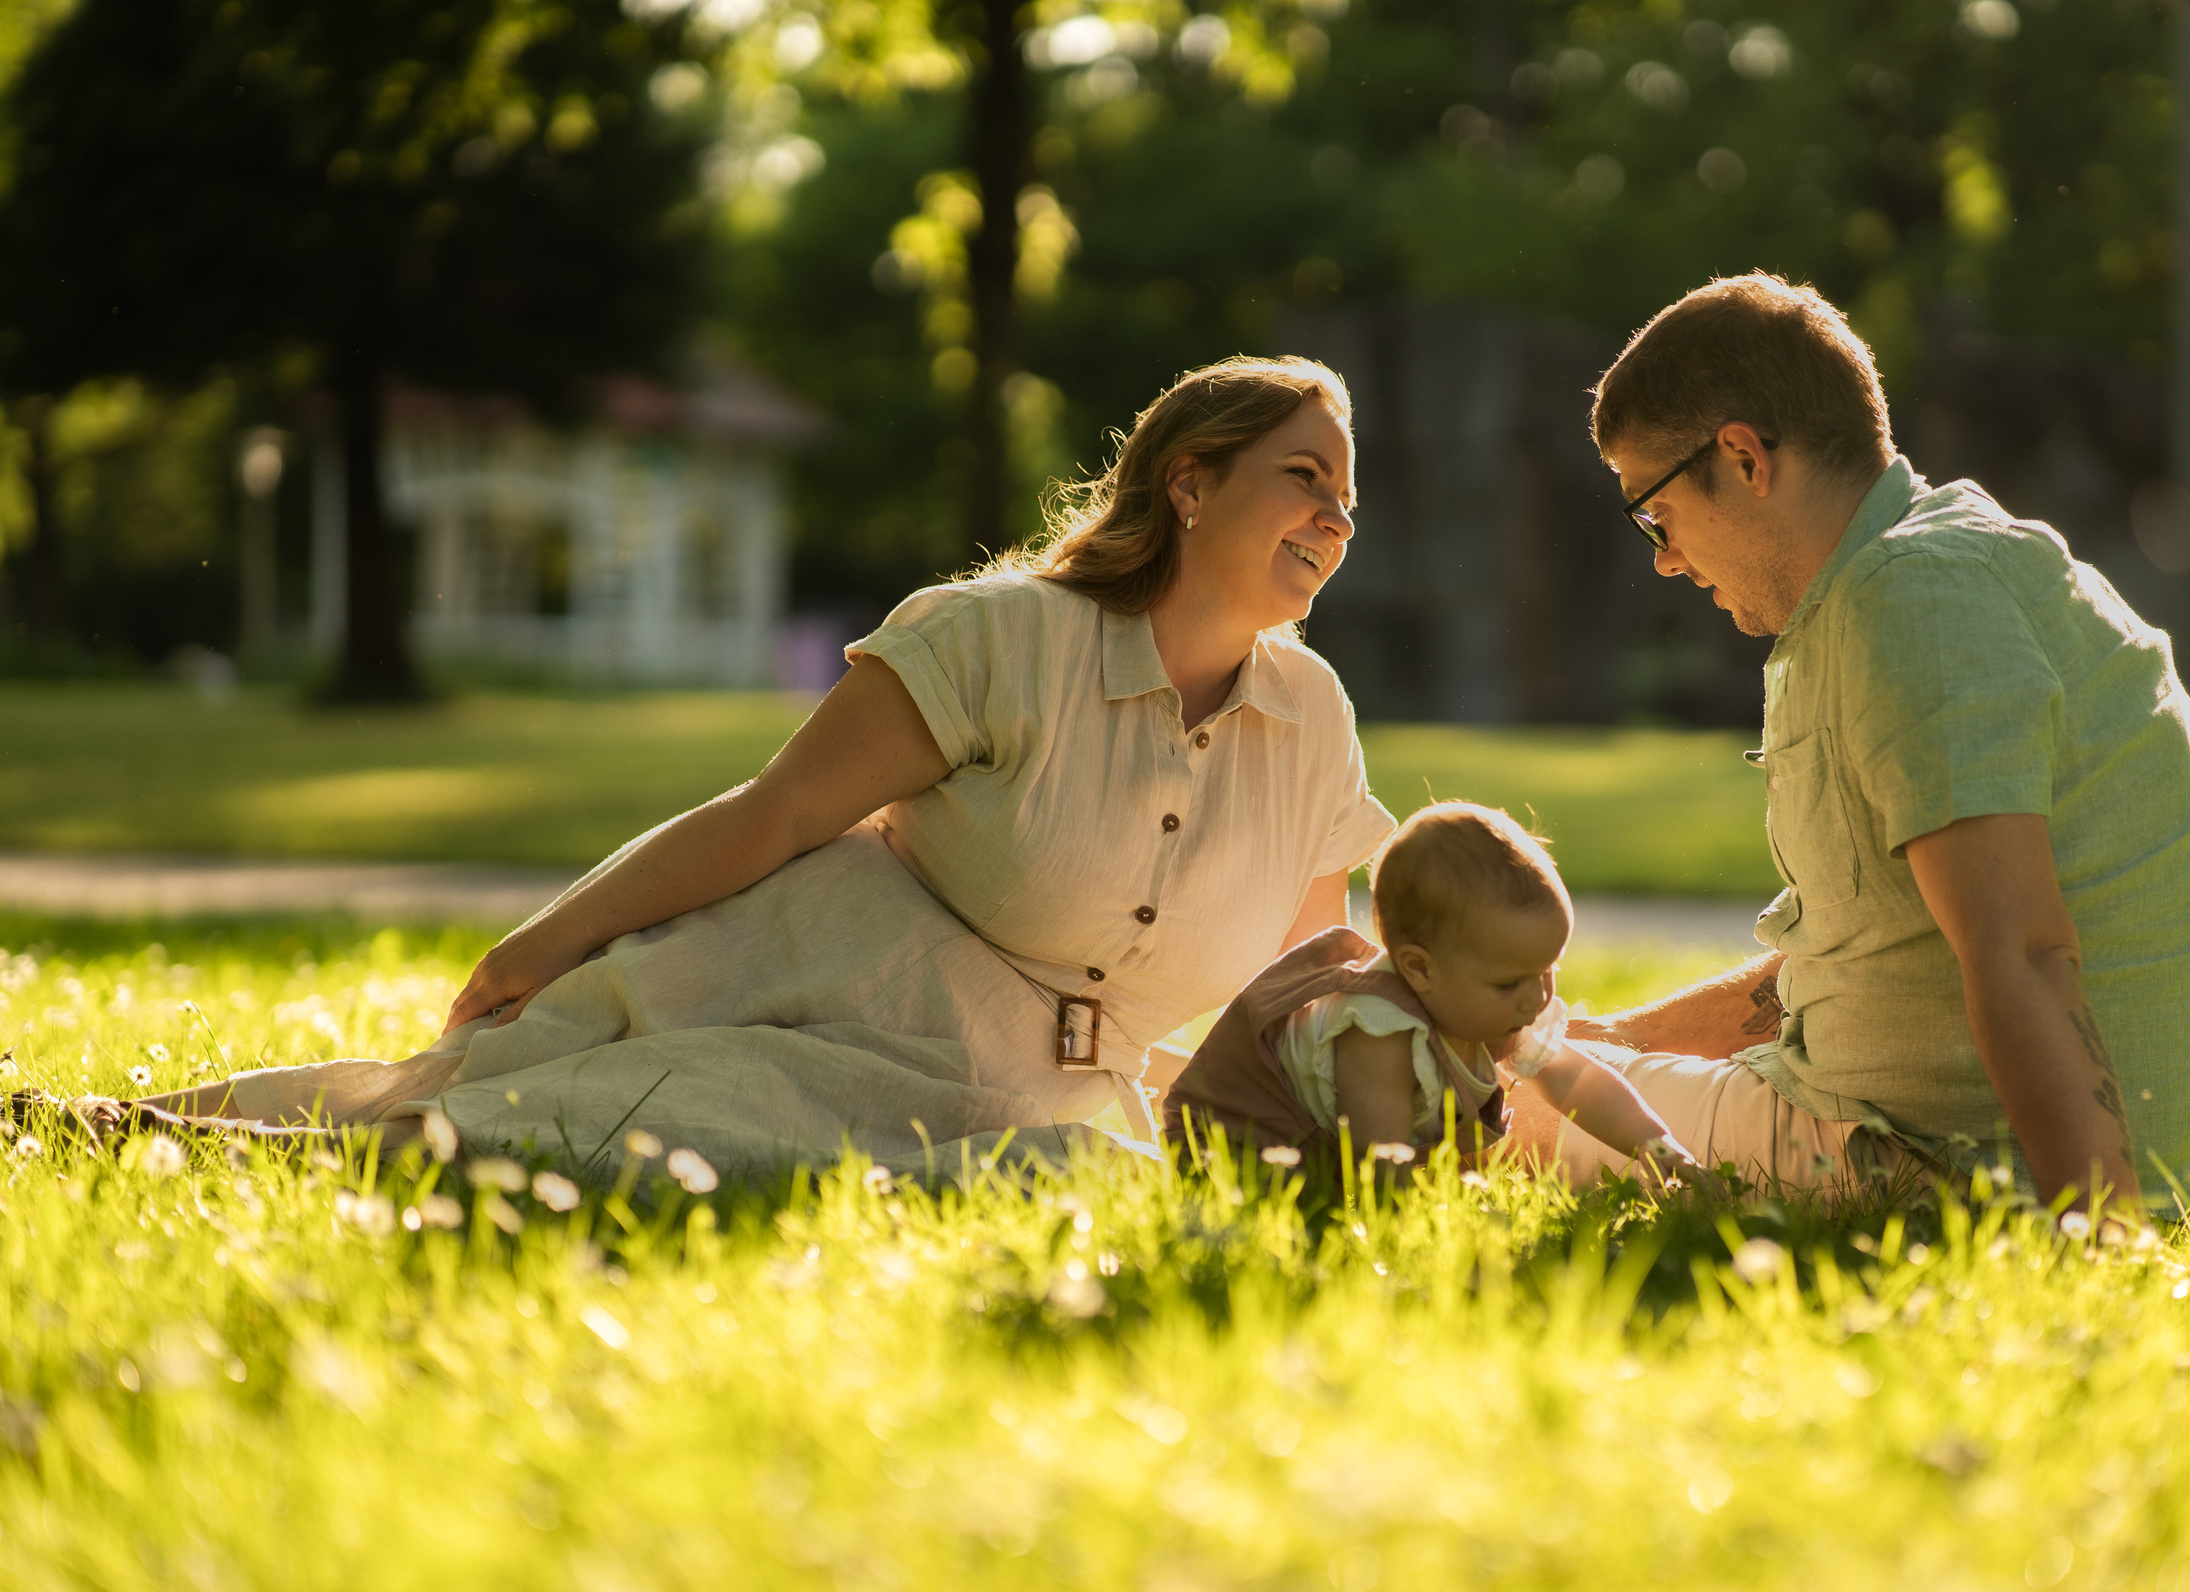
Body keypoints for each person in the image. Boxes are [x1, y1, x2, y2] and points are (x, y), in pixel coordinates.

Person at [146, 357, 1396, 1179]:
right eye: (1305, 479)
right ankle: (148, 1136)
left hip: (1043, 1104)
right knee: (557, 1119)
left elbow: (1306, 997)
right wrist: (547, 941)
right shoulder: (1003, 639)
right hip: (823, 990)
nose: (1336, 518)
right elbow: (778, 812)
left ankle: (196, 1141)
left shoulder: (1314, 721)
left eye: (1347, 496)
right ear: (1188, 483)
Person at [1513, 273, 2190, 1220]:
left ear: (1742, 457)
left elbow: (2023, 950)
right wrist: (1600, 1040)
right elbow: (1865, 954)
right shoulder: (1919, 570)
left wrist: (2100, 1231)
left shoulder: (1911, 607)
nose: (1663, 557)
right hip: (2043, 1152)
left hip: (1953, 1164)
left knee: (1480, 1105)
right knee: (1552, 1070)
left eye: (1655, 512)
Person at [1168, 803, 1689, 1179]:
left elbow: (1580, 1083)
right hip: (1239, 1145)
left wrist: (1660, 1148)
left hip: (1315, 1154)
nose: (1536, 998)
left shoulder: (1498, 1009)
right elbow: (1383, 1162)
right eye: (1510, 982)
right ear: (1419, 970)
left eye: (1548, 969)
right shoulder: (1379, 1033)